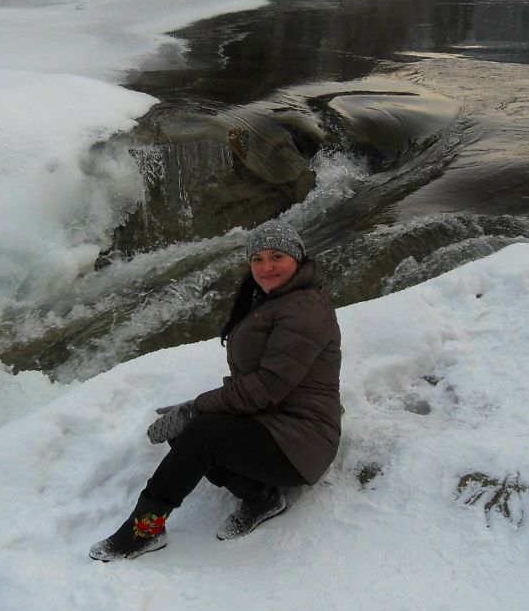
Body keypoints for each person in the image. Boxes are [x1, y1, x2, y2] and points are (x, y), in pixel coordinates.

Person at [89, 219, 342, 561]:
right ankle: (261, 499)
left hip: (303, 441)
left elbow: (267, 387)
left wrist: (198, 407)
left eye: (277, 256)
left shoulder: (305, 310)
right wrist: (196, 408)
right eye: (257, 259)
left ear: (297, 257)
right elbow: (257, 382)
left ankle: (144, 530)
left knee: (200, 431)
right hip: (277, 421)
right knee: (188, 427)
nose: (266, 267)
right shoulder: (275, 299)